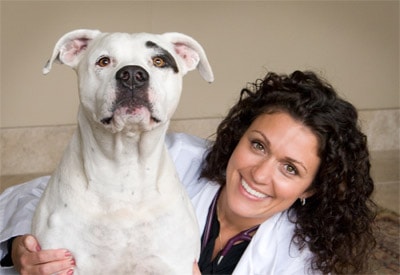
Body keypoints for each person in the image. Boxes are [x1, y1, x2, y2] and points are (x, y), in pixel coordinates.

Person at [0, 70, 376, 274]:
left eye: (290, 168)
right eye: (258, 145)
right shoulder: (170, 157)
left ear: (312, 188)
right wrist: (23, 247)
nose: (260, 174)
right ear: (238, 136)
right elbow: (38, 194)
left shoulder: (299, 260)